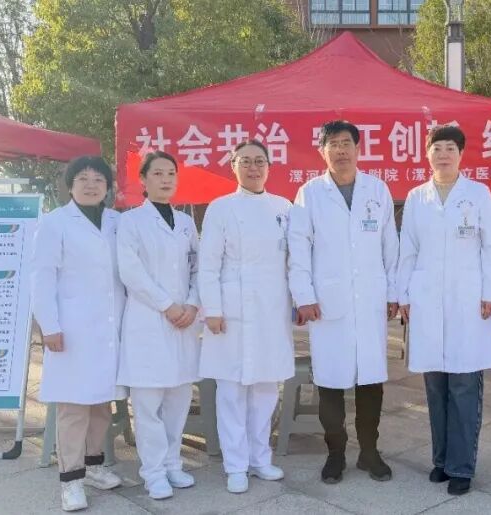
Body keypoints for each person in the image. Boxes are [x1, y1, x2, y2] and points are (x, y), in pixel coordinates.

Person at [287, 120, 400, 485]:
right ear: (323, 151)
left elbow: (390, 247)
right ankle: (335, 453)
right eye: (333, 144)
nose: (340, 150)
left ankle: (369, 452)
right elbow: (298, 248)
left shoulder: (377, 190)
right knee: (331, 383)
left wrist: (393, 292)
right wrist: (304, 296)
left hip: (369, 300)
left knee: (370, 382)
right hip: (327, 302)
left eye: (346, 143)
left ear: (358, 148)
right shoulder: (310, 193)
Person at [396, 125, 491, 496]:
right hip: (427, 301)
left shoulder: (478, 193)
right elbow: (408, 249)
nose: (443, 154)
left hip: (469, 301)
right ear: (427, 154)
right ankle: (441, 460)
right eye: (436, 148)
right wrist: (404, 294)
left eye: (449, 148)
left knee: (463, 385)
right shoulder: (417, 197)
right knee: (436, 386)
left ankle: (461, 467)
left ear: (460, 154)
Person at [30, 157, 126, 512]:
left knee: (101, 403)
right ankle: (70, 480)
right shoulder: (54, 222)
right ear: (70, 186)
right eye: (82, 178)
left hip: (111, 327)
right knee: (73, 407)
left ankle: (94, 465)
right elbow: (42, 276)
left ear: (107, 187)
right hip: (72, 329)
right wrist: (50, 325)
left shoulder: (117, 222)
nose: (91, 184)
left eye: (98, 179)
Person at [198, 140, 293, 494]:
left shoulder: (284, 207)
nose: (253, 168)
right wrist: (213, 309)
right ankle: (235, 465)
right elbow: (208, 265)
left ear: (269, 166)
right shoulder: (220, 208)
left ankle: (260, 459)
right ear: (233, 166)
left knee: (266, 388)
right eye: (246, 161)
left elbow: (293, 259)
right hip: (231, 308)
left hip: (271, 306)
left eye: (260, 161)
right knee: (232, 391)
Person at [117, 151, 201, 500]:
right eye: (158, 173)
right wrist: (167, 306)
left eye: (171, 173)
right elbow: (131, 271)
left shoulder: (186, 223)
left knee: (178, 400)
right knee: (148, 404)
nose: (166, 179)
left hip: (184, 323)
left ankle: (173, 464)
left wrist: (192, 303)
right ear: (143, 180)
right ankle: (152, 473)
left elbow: (198, 267)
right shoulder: (130, 222)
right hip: (148, 321)